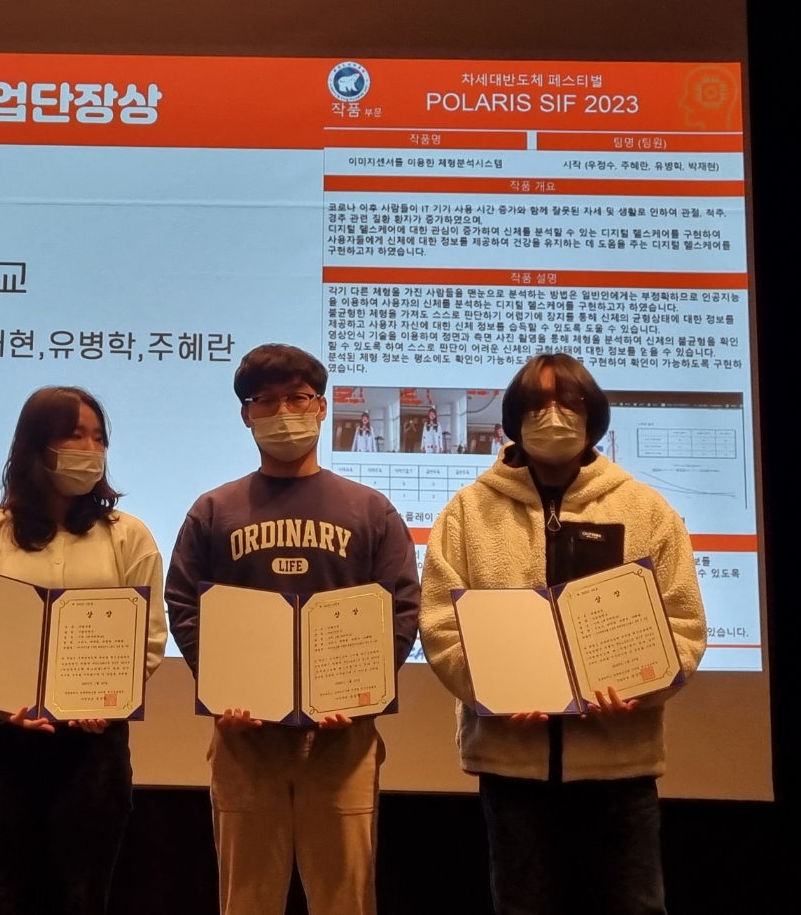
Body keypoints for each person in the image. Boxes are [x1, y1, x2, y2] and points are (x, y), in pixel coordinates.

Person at [419, 353, 706, 915]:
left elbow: (684, 623)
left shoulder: (646, 510)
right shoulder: (468, 513)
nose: (553, 415)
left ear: (592, 412)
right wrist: (492, 691)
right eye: (537, 403)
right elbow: (441, 624)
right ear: (514, 416)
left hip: (620, 762)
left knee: (636, 907)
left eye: (568, 401)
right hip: (512, 765)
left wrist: (641, 687)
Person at [166, 344, 420, 915]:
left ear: (322, 407)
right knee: (246, 901)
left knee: (345, 900)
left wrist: (362, 692)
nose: (284, 412)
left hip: (342, 741)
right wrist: (221, 686)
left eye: (298, 398)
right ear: (246, 414)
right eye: (266, 400)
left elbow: (402, 607)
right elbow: (183, 603)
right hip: (245, 738)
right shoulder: (214, 510)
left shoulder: (370, 510)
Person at [0, 386, 166, 915]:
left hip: (92, 749)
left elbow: (150, 637)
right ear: (35, 446)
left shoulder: (129, 536)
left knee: (83, 897)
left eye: (98, 438)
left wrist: (108, 698)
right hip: (0, 745)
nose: (90, 449)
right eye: (74, 436)